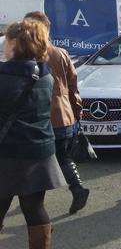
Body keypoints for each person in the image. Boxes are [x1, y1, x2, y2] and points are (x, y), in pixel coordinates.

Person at [0, 19, 65, 249]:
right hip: (38, 151)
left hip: (6, 154)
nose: (4, 45)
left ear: (16, 43)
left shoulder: (4, 76)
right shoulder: (45, 75)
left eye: (7, 40)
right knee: (34, 208)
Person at [24, 11, 89, 215]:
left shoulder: (28, 56)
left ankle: (34, 202)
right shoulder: (60, 53)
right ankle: (77, 188)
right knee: (62, 157)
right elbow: (73, 86)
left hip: (39, 117)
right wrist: (77, 113)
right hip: (64, 115)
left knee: (35, 158)